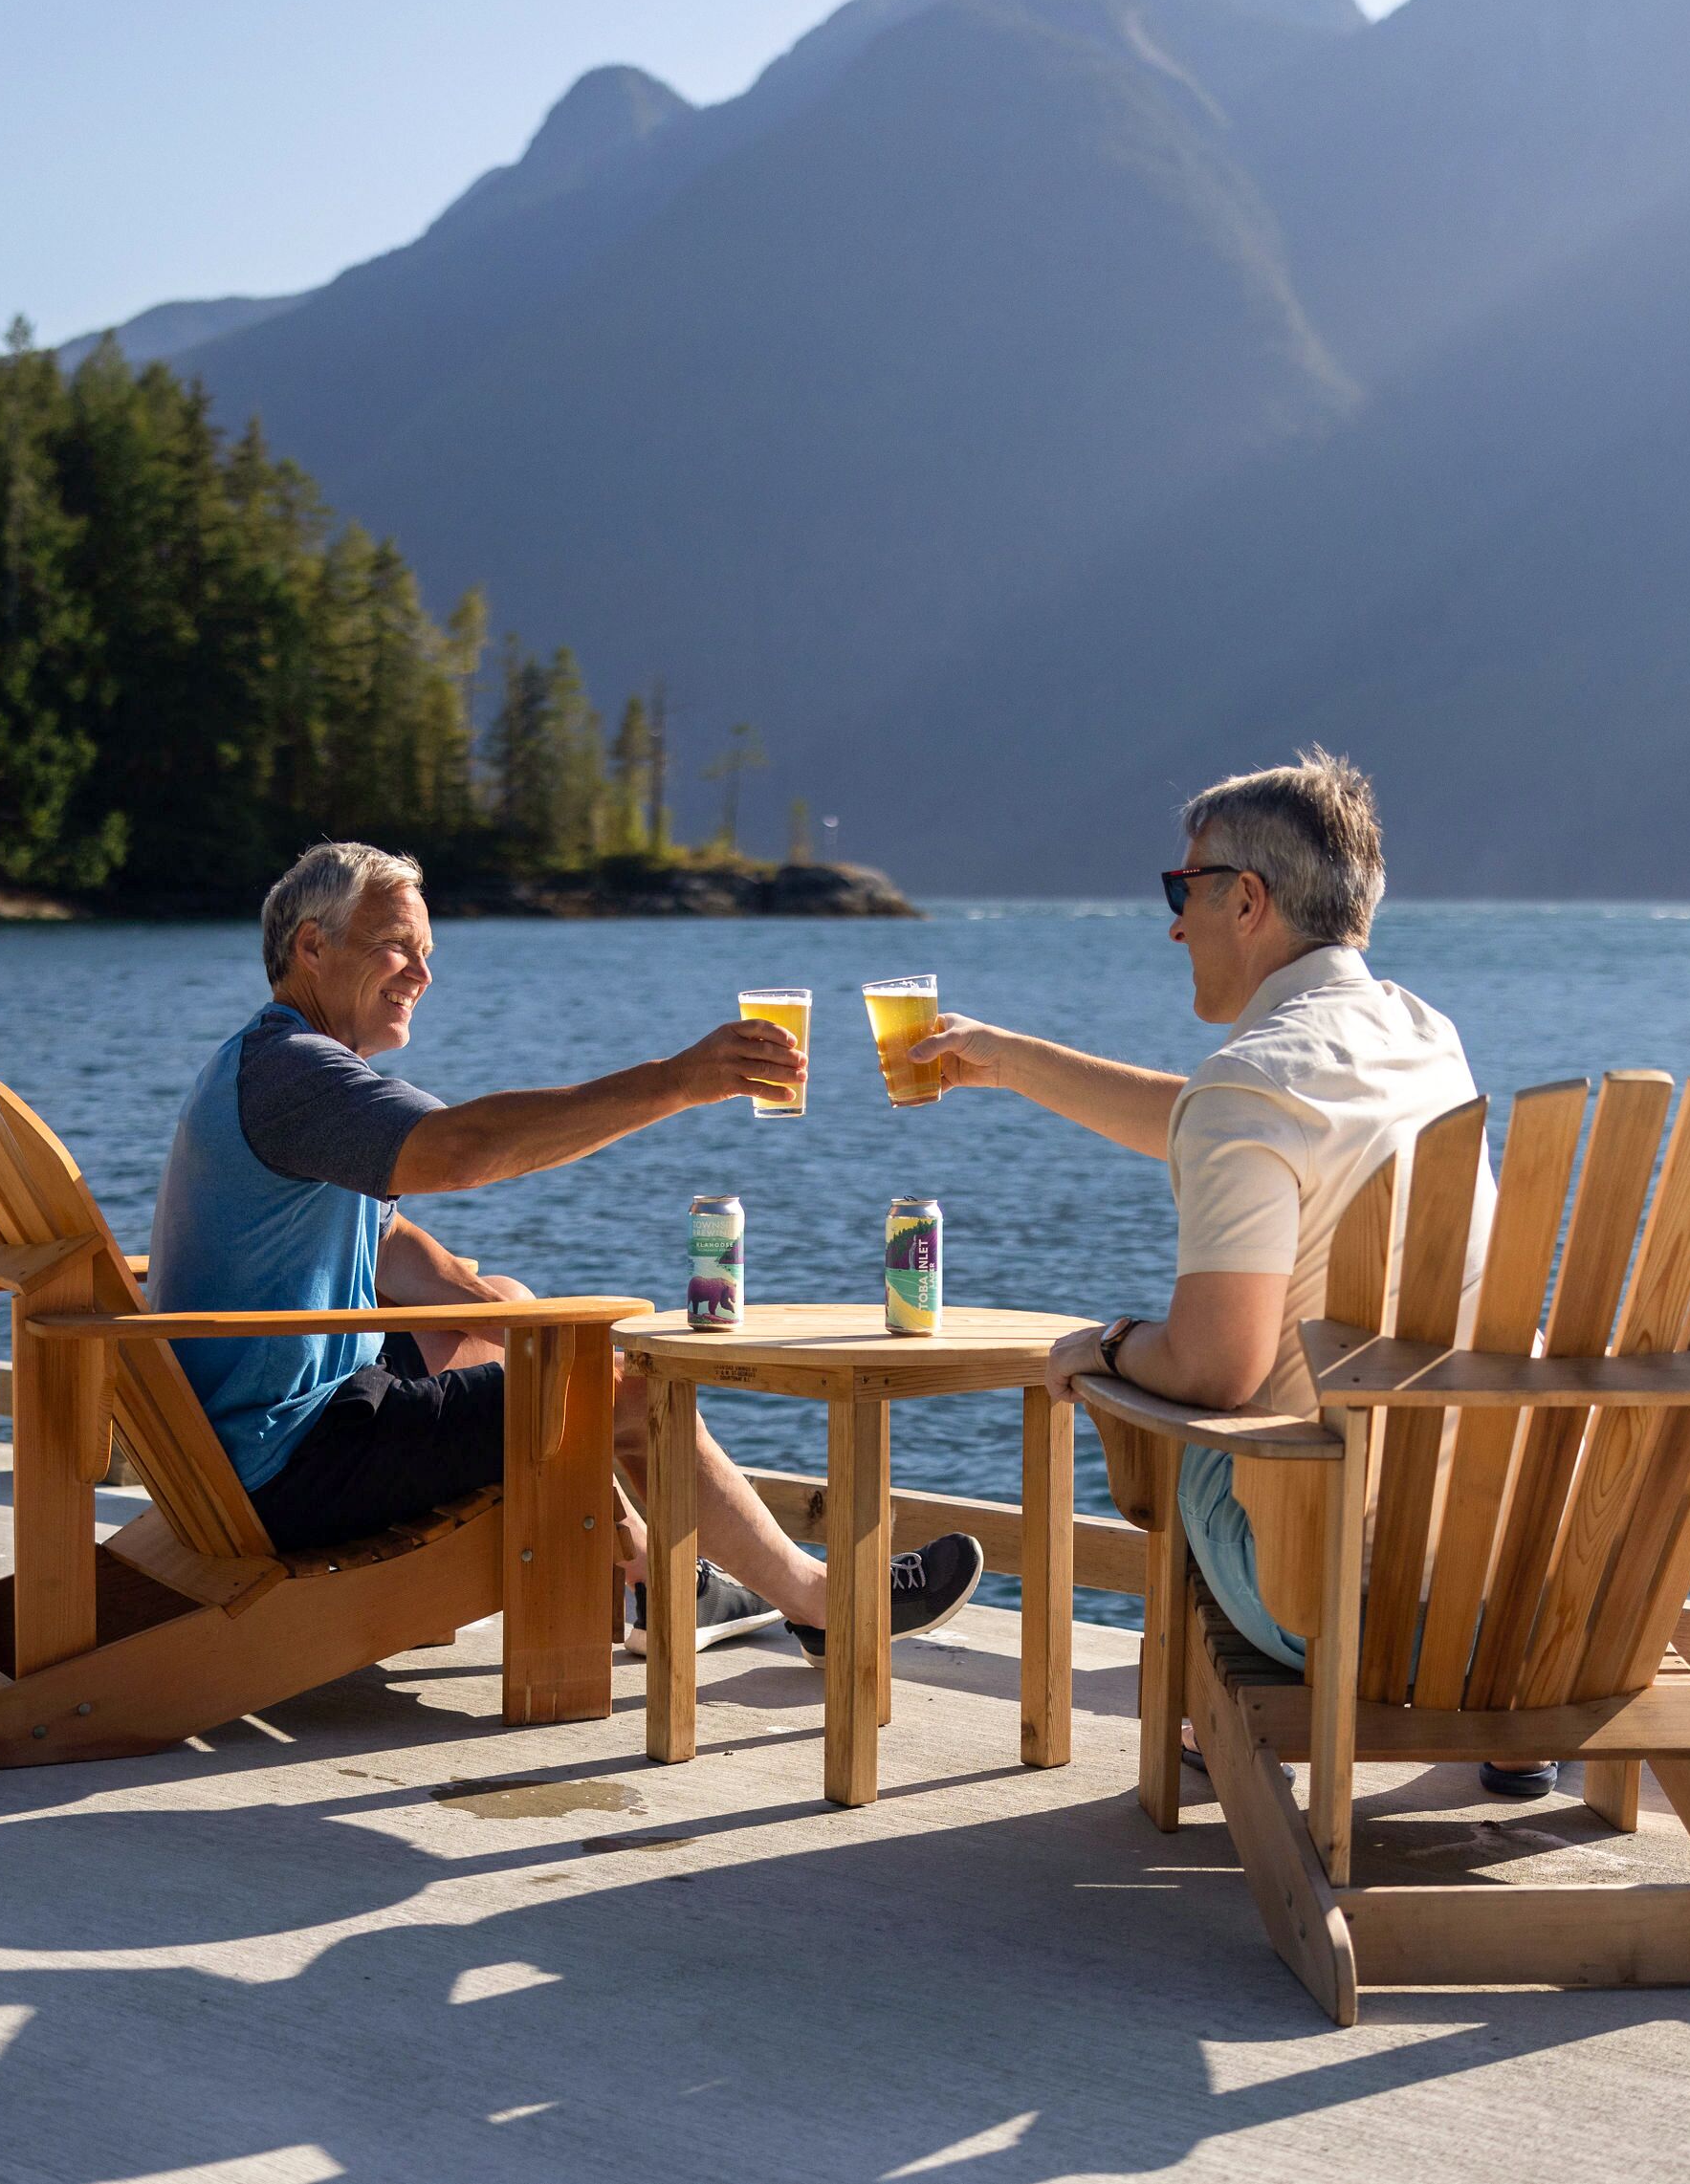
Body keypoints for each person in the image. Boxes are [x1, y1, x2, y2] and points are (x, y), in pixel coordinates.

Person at [147, 840, 984, 1661]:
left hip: (247, 1429)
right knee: (617, 1388)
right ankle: (822, 1600)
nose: (422, 973)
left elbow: (385, 1237)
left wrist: (504, 1314)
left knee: (506, 1307)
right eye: (397, 945)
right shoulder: (296, 1072)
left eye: (427, 952)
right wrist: (676, 1081)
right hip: (288, 1457)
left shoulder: (266, 1060)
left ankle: (658, 1580)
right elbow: (460, 1148)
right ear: (311, 946)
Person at [910, 750, 1553, 1799]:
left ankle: (1215, 1732)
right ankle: (1515, 1737)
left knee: (1162, 1416)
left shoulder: (1250, 1085)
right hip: (1494, 1575)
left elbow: (1215, 1368)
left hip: (1330, 1591)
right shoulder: (1421, 1038)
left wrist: (1105, 1349)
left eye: (1183, 889)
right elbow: (1232, 1123)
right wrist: (1014, 1061)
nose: (1173, 923)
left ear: (1245, 899)